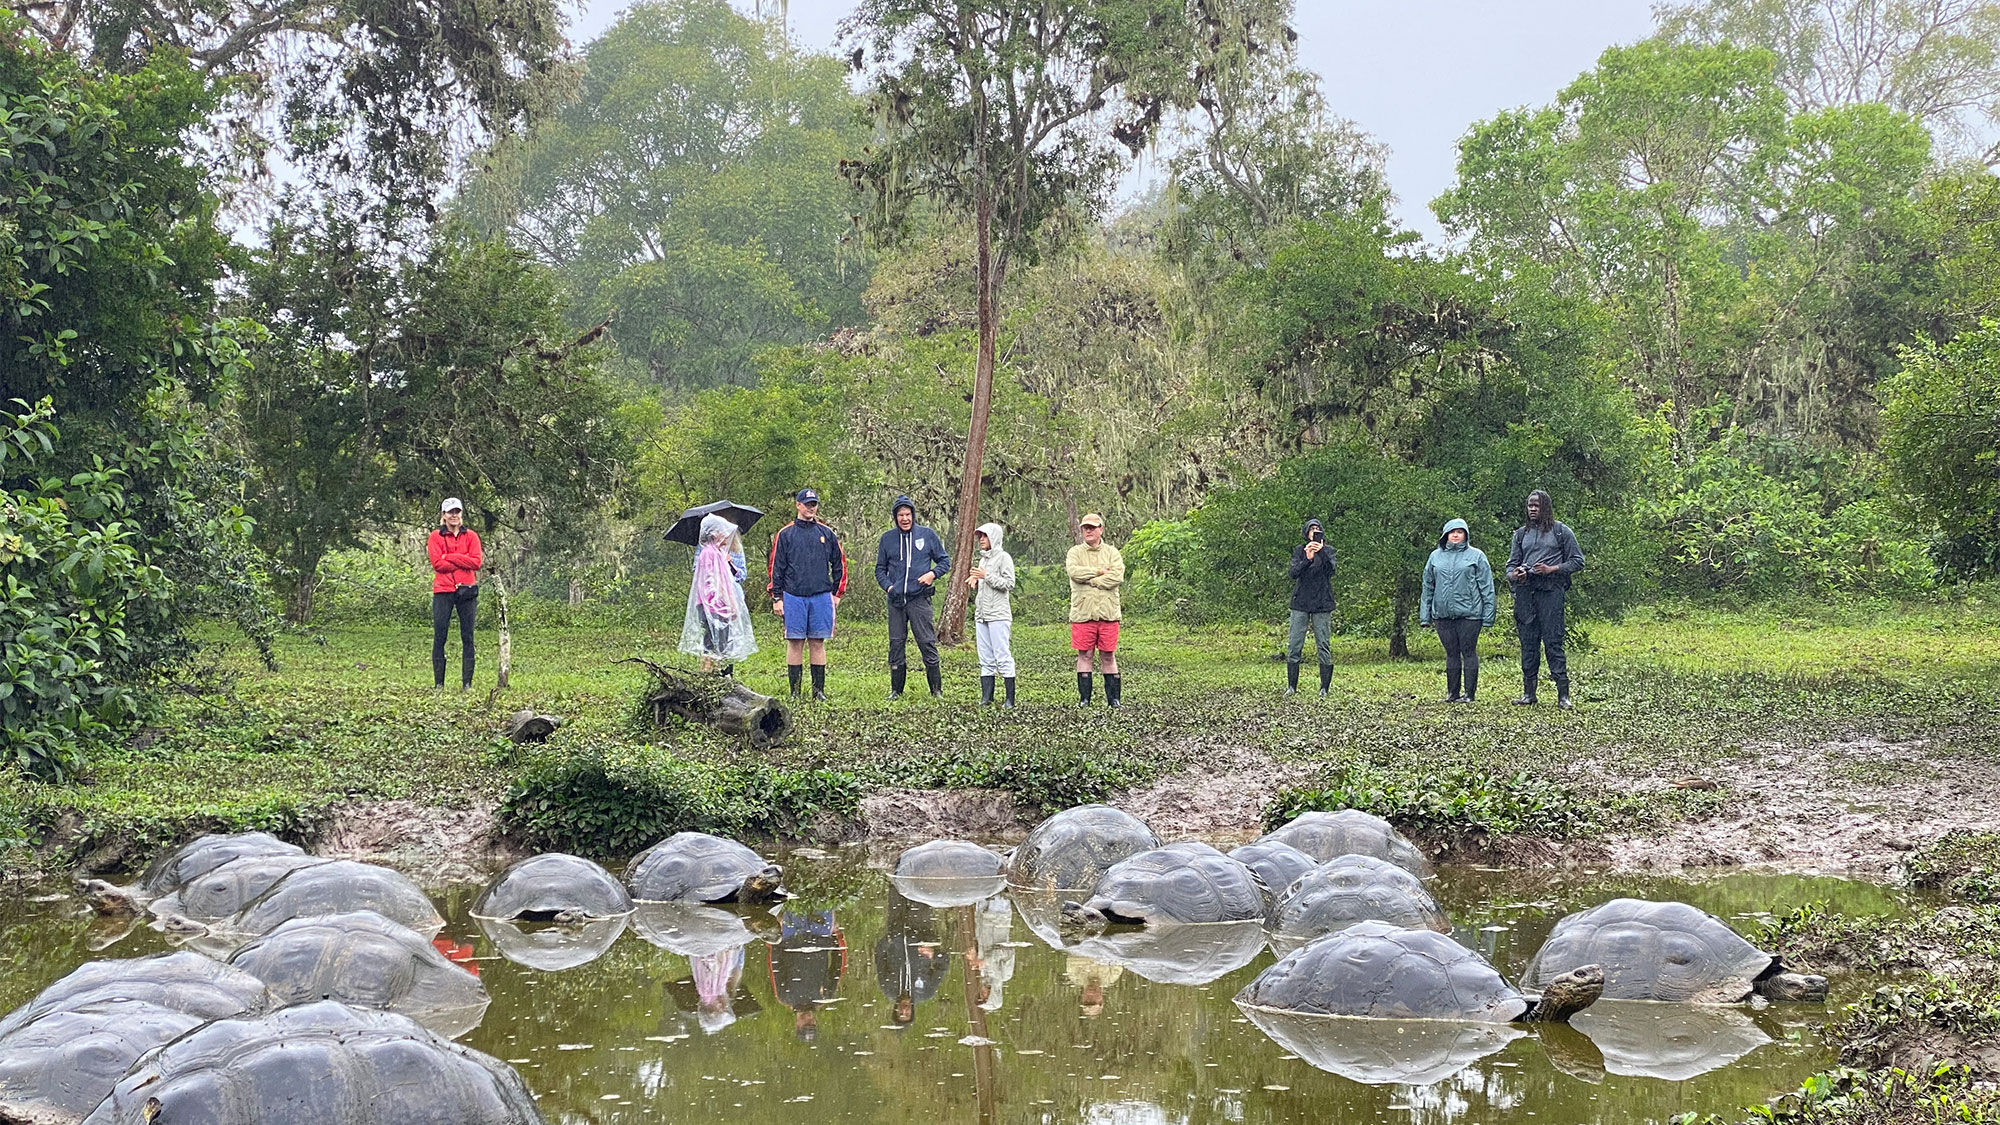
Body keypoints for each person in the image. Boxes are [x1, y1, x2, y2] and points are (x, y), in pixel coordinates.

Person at [1505, 490, 1586, 709]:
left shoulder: (1561, 532)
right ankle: (1529, 693)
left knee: (1553, 642)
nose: (1532, 509)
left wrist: (1552, 569)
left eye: (1537, 506)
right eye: (1530, 505)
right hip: (1526, 592)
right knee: (1528, 643)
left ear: (1545, 508)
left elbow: (1578, 561)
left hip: (1551, 592)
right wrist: (1516, 574)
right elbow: (1510, 565)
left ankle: (1563, 695)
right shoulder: (1520, 534)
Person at [767, 489, 847, 701]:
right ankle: (795, 691)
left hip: (821, 595)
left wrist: (837, 594)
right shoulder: (785, 534)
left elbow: (839, 563)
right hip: (793, 595)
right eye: (807, 504)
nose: (811, 508)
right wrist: (777, 597)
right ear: (798, 505)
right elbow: (776, 567)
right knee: (795, 642)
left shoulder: (826, 533)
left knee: (817, 641)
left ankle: (818, 691)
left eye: (814, 504)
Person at [873, 495, 951, 699]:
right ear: (895, 517)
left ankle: (936, 690)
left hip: (919, 599)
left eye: (908, 514)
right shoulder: (887, 539)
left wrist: (932, 574)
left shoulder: (927, 535)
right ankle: (896, 691)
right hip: (896, 601)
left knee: (927, 642)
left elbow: (944, 561)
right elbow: (880, 569)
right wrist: (888, 587)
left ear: (913, 515)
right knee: (896, 643)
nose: (905, 518)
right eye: (901, 515)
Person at [1420, 518, 1497, 704]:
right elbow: (1427, 586)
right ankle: (1452, 693)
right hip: (1442, 615)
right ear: (1445, 534)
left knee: (1468, 651)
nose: (1455, 535)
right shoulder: (1435, 557)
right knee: (1451, 653)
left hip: (1471, 614)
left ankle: (1469, 695)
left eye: (1459, 531)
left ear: (1466, 535)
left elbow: (1487, 587)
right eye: (1452, 531)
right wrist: (1425, 615)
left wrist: (1489, 614)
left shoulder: (1477, 556)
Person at [681, 514, 757, 673]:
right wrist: (731, 605)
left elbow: (733, 576)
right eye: (723, 533)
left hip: (708, 604)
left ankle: (712, 676)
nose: (727, 537)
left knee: (712, 642)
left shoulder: (709, 553)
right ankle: (715, 676)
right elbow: (720, 583)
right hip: (717, 606)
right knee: (719, 643)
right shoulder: (713, 554)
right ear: (714, 534)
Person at [1064, 513, 1125, 707]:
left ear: (1101, 529)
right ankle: (1085, 699)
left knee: (1108, 655)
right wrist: (1099, 572)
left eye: (1092, 527)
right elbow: (1074, 572)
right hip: (1083, 613)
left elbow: (1117, 576)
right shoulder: (1074, 552)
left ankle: (1114, 699)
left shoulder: (1112, 552)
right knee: (1085, 654)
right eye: (1085, 528)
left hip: (1108, 613)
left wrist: (1092, 581)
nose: (1088, 531)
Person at [426, 498, 482, 690]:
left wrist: (450, 556)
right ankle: (439, 683)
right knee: (440, 635)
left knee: (468, 636)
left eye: (457, 512)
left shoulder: (472, 536)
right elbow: (437, 564)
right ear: (443, 515)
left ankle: (467, 683)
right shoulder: (435, 537)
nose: (454, 515)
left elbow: (476, 562)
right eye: (450, 512)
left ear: (461, 514)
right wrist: (462, 559)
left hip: (467, 590)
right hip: (443, 590)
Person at [768, 908, 846, 1043]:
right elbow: (838, 966)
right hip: (821, 933)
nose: (808, 1019)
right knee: (823, 895)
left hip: (791, 936)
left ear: (797, 1025)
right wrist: (837, 936)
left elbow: (775, 965)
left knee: (794, 896)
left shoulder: (784, 997)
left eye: (805, 1024)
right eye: (811, 1023)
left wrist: (775, 939)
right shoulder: (824, 997)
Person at [966, 522, 1016, 708]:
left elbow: (1009, 583)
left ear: (994, 537)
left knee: (1002, 655)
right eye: (980, 536)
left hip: (999, 614)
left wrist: (986, 576)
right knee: (985, 657)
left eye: (984, 536)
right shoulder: (983, 560)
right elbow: (985, 579)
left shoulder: (1004, 558)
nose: (981, 540)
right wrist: (976, 578)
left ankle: (1010, 699)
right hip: (982, 614)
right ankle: (986, 697)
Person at [1285, 518, 1337, 697]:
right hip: (1300, 603)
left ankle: (1324, 688)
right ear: (1306, 533)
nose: (1314, 531)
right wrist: (1307, 559)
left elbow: (1331, 571)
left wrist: (1321, 553)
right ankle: (1291, 686)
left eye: (1317, 529)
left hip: (1322, 603)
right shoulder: (1300, 551)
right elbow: (1293, 573)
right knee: (1294, 645)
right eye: (1311, 529)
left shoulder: (1328, 551)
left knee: (1323, 644)